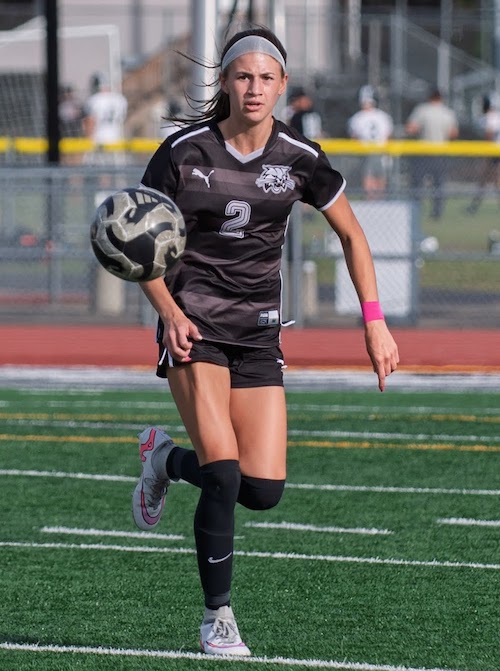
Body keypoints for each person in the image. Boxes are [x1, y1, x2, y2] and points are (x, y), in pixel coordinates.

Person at [131, 26, 399, 658]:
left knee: (262, 489)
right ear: (225, 82)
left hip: (257, 333)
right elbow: (138, 245)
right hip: (193, 327)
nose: (254, 88)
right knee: (224, 475)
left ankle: (164, 460)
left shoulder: (300, 157)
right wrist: (168, 311)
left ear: (283, 85)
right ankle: (217, 618)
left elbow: (353, 236)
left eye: (266, 78)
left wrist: (374, 320)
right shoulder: (182, 152)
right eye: (243, 76)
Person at [405, 89, 459, 219]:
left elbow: (411, 129)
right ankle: (437, 212)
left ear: (429, 97)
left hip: (423, 152)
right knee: (439, 184)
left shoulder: (422, 110)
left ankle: (416, 209)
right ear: (441, 98)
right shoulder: (448, 112)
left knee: (418, 183)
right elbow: (454, 133)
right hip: (440, 152)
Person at [347, 85, 394, 199]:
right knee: (380, 177)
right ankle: (379, 200)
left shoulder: (357, 118)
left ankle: (370, 200)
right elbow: (388, 136)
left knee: (368, 177)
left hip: (366, 152)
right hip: (381, 151)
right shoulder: (383, 116)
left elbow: (354, 138)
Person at [81, 72, 128, 166]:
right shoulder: (120, 99)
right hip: (116, 139)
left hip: (99, 140)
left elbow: (90, 122)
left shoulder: (93, 100)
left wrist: (87, 140)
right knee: (116, 168)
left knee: (99, 169)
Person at [466, 93, 500, 214]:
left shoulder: (491, 116)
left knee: (492, 181)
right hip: (494, 153)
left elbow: (490, 134)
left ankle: (474, 206)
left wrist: (487, 152)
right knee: (486, 181)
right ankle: (474, 206)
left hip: (494, 153)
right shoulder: (495, 116)